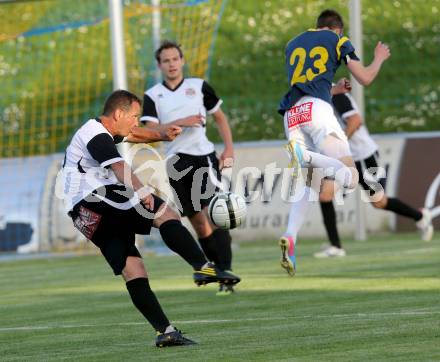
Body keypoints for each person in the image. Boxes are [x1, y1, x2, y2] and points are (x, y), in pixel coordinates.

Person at [60, 90, 240, 347]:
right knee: (164, 211)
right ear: (119, 113)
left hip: (84, 214)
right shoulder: (94, 133)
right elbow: (119, 166)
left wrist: (161, 134)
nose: (136, 121)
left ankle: (165, 331)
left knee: (133, 269)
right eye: (134, 115)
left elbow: (133, 134)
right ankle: (203, 267)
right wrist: (143, 191)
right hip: (96, 197)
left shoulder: (103, 131)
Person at [277, 9, 391, 276]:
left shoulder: (293, 43)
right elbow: (365, 77)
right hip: (318, 112)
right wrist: (378, 59)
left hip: (293, 115)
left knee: (311, 184)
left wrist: (335, 88)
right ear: (337, 29)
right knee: (350, 177)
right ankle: (306, 156)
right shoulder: (338, 40)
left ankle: (290, 236)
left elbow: (308, 82)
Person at [140, 40, 238, 295]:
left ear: (182, 61)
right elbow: (149, 130)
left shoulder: (198, 86)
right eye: (166, 61)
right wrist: (181, 121)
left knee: (215, 214)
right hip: (175, 162)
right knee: (198, 223)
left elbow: (220, 117)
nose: (172, 64)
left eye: (175, 59)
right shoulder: (153, 95)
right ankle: (215, 271)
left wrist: (229, 148)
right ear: (159, 65)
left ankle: (226, 273)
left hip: (202, 156)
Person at [314, 89, 434, 257]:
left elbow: (355, 120)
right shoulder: (318, 97)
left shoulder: (336, 94)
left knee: (379, 202)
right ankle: (336, 247)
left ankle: (420, 216)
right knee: (325, 195)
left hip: (362, 155)